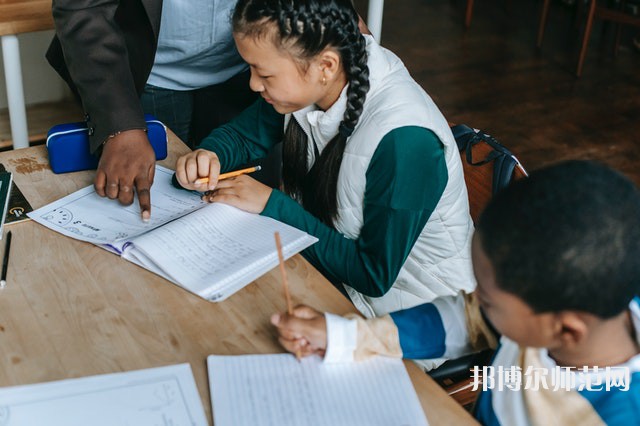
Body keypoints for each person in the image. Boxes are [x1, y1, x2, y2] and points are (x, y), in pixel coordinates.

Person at [175, 0, 475, 327]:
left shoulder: (405, 142)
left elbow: (372, 275)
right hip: (325, 274)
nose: (252, 84)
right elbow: (244, 136)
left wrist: (271, 205)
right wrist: (209, 155)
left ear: (326, 66)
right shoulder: (313, 81)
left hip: (412, 316)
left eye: (263, 72)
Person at [271, 160, 640, 425]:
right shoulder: (563, 307)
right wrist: (343, 336)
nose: (474, 299)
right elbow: (466, 318)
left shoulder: (612, 414)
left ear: (567, 332)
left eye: (489, 299)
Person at [46, 0, 257, 221]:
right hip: (145, 71)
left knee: (240, 213)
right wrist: (121, 124)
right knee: (148, 205)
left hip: (248, 69)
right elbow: (83, 7)